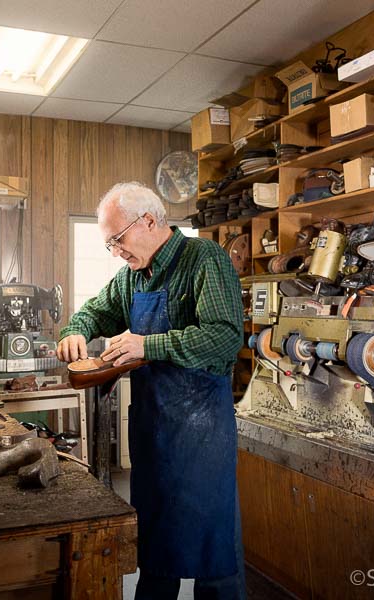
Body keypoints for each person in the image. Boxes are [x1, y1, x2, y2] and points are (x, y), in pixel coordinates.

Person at [57, 182, 246, 600]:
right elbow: (95, 310)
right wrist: (76, 331)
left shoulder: (204, 259)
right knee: (156, 548)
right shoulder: (131, 278)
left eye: (117, 240)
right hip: (154, 431)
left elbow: (225, 337)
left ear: (147, 221)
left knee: (213, 554)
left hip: (202, 435)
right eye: (109, 245)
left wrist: (148, 344)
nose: (116, 252)